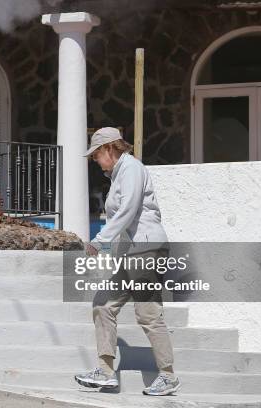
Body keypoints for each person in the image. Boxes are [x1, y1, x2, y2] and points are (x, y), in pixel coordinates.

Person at [73, 127, 181, 396]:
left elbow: (128, 209)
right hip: (133, 252)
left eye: (97, 154)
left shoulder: (131, 168)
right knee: (103, 304)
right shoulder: (119, 174)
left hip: (147, 248)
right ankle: (106, 372)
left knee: (148, 313)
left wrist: (100, 241)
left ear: (110, 148)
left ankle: (167, 376)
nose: (96, 161)